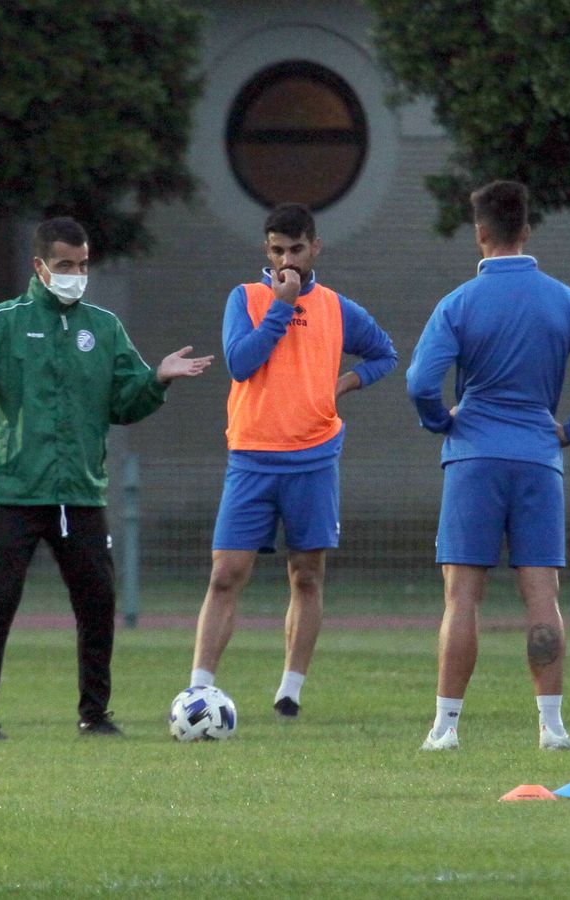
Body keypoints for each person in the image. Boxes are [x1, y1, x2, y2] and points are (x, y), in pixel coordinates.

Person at [0, 216, 212, 740]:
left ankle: (94, 714)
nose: (76, 275)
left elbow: (125, 403)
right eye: (65, 266)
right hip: (12, 491)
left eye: (82, 265)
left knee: (98, 603)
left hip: (79, 491)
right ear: (40, 267)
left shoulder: (103, 328)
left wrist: (157, 380)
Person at [408, 180, 570, 751]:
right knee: (542, 597)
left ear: (479, 234)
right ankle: (552, 728)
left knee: (461, 598)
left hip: (474, 456)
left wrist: (441, 420)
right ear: (527, 229)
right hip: (538, 457)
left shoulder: (458, 303)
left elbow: (418, 382)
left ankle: (445, 728)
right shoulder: (563, 300)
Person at [187, 202, 397, 720]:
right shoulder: (247, 298)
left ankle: (290, 692)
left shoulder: (337, 307)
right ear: (267, 250)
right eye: (278, 250)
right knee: (225, 574)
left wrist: (343, 385)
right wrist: (280, 307)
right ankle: (199, 689)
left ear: (315, 248)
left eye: (297, 249)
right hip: (252, 457)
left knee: (306, 575)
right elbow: (240, 362)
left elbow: (385, 354)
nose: (288, 260)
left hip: (313, 457)